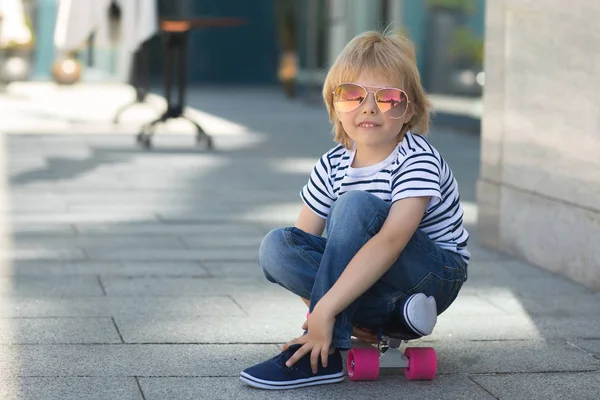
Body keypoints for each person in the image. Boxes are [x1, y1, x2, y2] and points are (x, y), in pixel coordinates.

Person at [240, 29, 470, 390]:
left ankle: (328, 352)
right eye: (351, 95)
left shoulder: (418, 158)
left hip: (432, 274)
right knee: (277, 246)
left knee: (354, 205)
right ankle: (392, 312)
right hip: (378, 281)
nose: (369, 107)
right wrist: (322, 309)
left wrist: (325, 313)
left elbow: (392, 240)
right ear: (335, 107)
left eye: (389, 97)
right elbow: (304, 249)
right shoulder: (331, 164)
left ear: (408, 109)